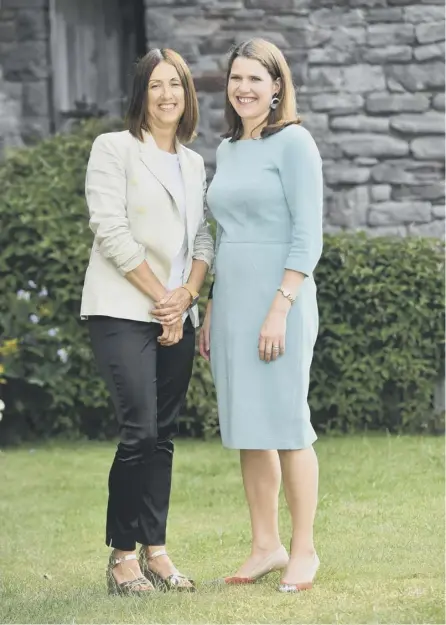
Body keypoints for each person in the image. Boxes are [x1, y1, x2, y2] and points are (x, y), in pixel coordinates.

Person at [80, 48, 214, 595]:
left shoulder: (194, 162)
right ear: (142, 93)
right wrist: (165, 298)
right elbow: (110, 229)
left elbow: (204, 236)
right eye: (156, 86)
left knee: (163, 437)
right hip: (122, 308)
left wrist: (188, 295)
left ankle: (156, 551)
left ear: (187, 95)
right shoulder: (114, 149)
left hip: (177, 308)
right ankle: (121, 558)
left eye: (175, 86)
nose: (166, 96)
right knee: (139, 431)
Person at [199, 39, 323, 593]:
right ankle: (265, 546)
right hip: (231, 302)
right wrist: (209, 307)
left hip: (282, 301)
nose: (243, 88)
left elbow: (308, 234)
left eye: (255, 78)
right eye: (235, 79)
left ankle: (304, 551)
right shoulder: (226, 149)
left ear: (277, 88)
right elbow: (225, 236)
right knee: (250, 426)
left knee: (288, 425)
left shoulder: (295, 143)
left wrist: (281, 306)